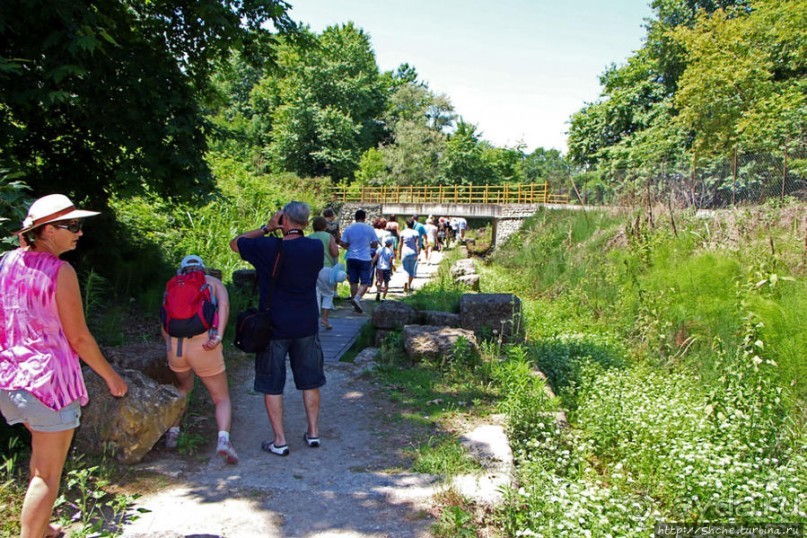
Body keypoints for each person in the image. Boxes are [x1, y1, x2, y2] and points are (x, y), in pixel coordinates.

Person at [0, 194, 128, 538]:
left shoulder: (6, 262)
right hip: (48, 386)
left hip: (9, 381)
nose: (79, 232)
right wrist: (112, 377)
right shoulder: (61, 271)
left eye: (79, 225)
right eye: (71, 226)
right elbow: (80, 338)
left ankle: (43, 528)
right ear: (46, 231)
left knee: (42, 461)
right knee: (46, 474)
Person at [230, 201, 325, 456]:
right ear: (305, 222)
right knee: (310, 381)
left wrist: (267, 227)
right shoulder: (315, 247)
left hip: (273, 326)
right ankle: (313, 433)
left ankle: (280, 441)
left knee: (272, 383)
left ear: (284, 220)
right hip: (306, 322)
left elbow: (236, 243)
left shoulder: (267, 246)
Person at [162, 255, 238, 464]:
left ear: (182, 269)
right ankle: (223, 440)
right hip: (205, 346)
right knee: (220, 397)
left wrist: (169, 347)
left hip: (176, 348)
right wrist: (219, 336)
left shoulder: (172, 285)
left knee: (183, 389)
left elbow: (164, 319)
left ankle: (174, 432)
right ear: (203, 268)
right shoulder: (212, 283)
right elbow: (224, 308)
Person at [338, 209, 378, 314]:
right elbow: (375, 244)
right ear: (364, 218)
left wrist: (348, 246)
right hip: (365, 258)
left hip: (351, 257)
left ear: (355, 217)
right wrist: (367, 245)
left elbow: (343, 243)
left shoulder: (349, 228)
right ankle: (357, 299)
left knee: (353, 282)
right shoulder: (369, 228)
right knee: (365, 282)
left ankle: (355, 305)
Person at [309, 216, 340, 330]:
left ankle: (312, 319)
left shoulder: (309, 237)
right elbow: (335, 253)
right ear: (325, 226)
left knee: (314, 293)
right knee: (328, 294)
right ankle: (324, 319)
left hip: (312, 269)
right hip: (326, 268)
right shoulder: (329, 236)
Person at [398, 219, 420, 294]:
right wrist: (418, 253)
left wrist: (399, 253)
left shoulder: (403, 232)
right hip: (413, 252)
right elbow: (417, 244)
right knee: (411, 270)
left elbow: (400, 244)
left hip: (405, 252)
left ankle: (405, 283)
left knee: (405, 269)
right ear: (413, 224)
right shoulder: (415, 232)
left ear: (406, 224)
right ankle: (409, 286)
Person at [372, 236, 396, 302]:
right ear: (391, 244)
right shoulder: (390, 252)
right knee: (386, 283)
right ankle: (383, 297)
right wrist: (391, 269)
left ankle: (378, 293)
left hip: (379, 268)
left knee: (379, 281)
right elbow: (390, 261)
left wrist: (371, 263)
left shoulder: (379, 249)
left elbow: (375, 257)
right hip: (387, 268)